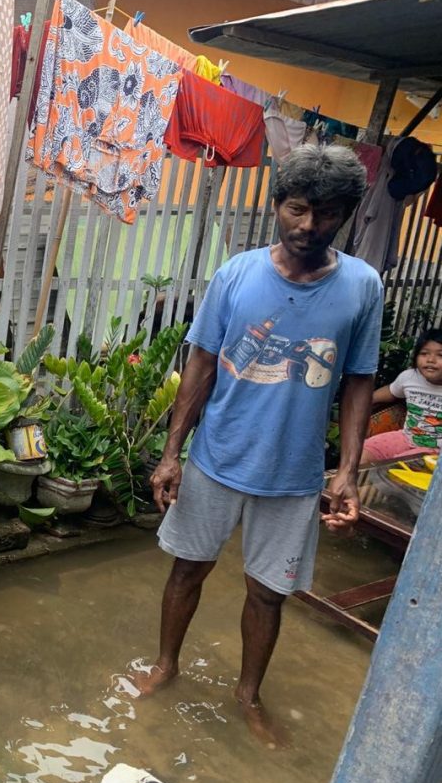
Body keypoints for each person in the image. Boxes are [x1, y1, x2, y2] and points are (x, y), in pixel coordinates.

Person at [134, 145, 382, 746]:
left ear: (346, 215)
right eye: (297, 209)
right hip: (217, 457)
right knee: (187, 570)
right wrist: (172, 453)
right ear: (277, 205)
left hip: (295, 475)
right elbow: (201, 365)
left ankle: (248, 694)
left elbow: (358, 380)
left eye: (326, 215)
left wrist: (346, 470)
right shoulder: (237, 274)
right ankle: (166, 665)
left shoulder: (362, 286)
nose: (308, 226)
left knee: (268, 594)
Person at [362, 328, 442, 463]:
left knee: (397, 464)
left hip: (436, 451)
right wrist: (364, 401)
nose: (430, 360)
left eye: (440, 355)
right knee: (364, 451)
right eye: (424, 353)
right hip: (406, 437)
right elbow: (391, 391)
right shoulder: (409, 377)